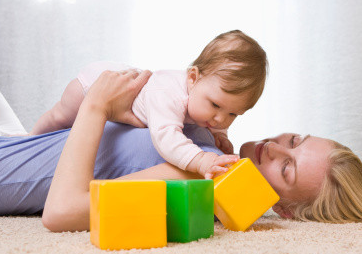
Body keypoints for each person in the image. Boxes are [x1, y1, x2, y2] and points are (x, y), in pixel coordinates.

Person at [0, 8, 362, 231]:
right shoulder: (205, 145)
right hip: (5, 143)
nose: (274, 146)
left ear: (284, 211)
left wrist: (97, 105)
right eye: (294, 139)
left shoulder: (189, 175)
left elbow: (61, 213)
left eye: (286, 167)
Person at [30, 30, 268, 179]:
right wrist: (200, 160)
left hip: (115, 104)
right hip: (92, 86)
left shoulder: (207, 103)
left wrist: (219, 135)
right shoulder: (169, 95)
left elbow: (217, 123)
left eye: (233, 114)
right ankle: (26, 137)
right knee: (59, 119)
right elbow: (166, 137)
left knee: (71, 138)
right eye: (215, 105)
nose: (220, 119)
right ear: (193, 78)